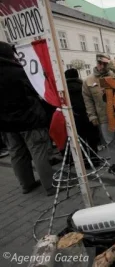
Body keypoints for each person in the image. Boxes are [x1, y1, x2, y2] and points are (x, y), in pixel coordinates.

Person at [0, 41, 55, 196]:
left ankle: (26, 184)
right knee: (38, 151)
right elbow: (37, 90)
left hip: (6, 125)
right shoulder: (19, 71)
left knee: (16, 154)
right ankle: (50, 186)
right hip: (28, 119)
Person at [82, 54, 115, 173]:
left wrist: (111, 63)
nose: (101, 66)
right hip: (104, 116)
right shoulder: (89, 81)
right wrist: (92, 115)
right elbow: (88, 101)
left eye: (104, 63)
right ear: (96, 63)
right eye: (99, 63)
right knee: (110, 141)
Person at [65, 68, 100, 163]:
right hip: (87, 115)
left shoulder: (64, 89)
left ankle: (84, 161)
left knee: (80, 141)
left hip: (75, 118)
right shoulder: (83, 85)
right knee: (92, 139)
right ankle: (95, 159)